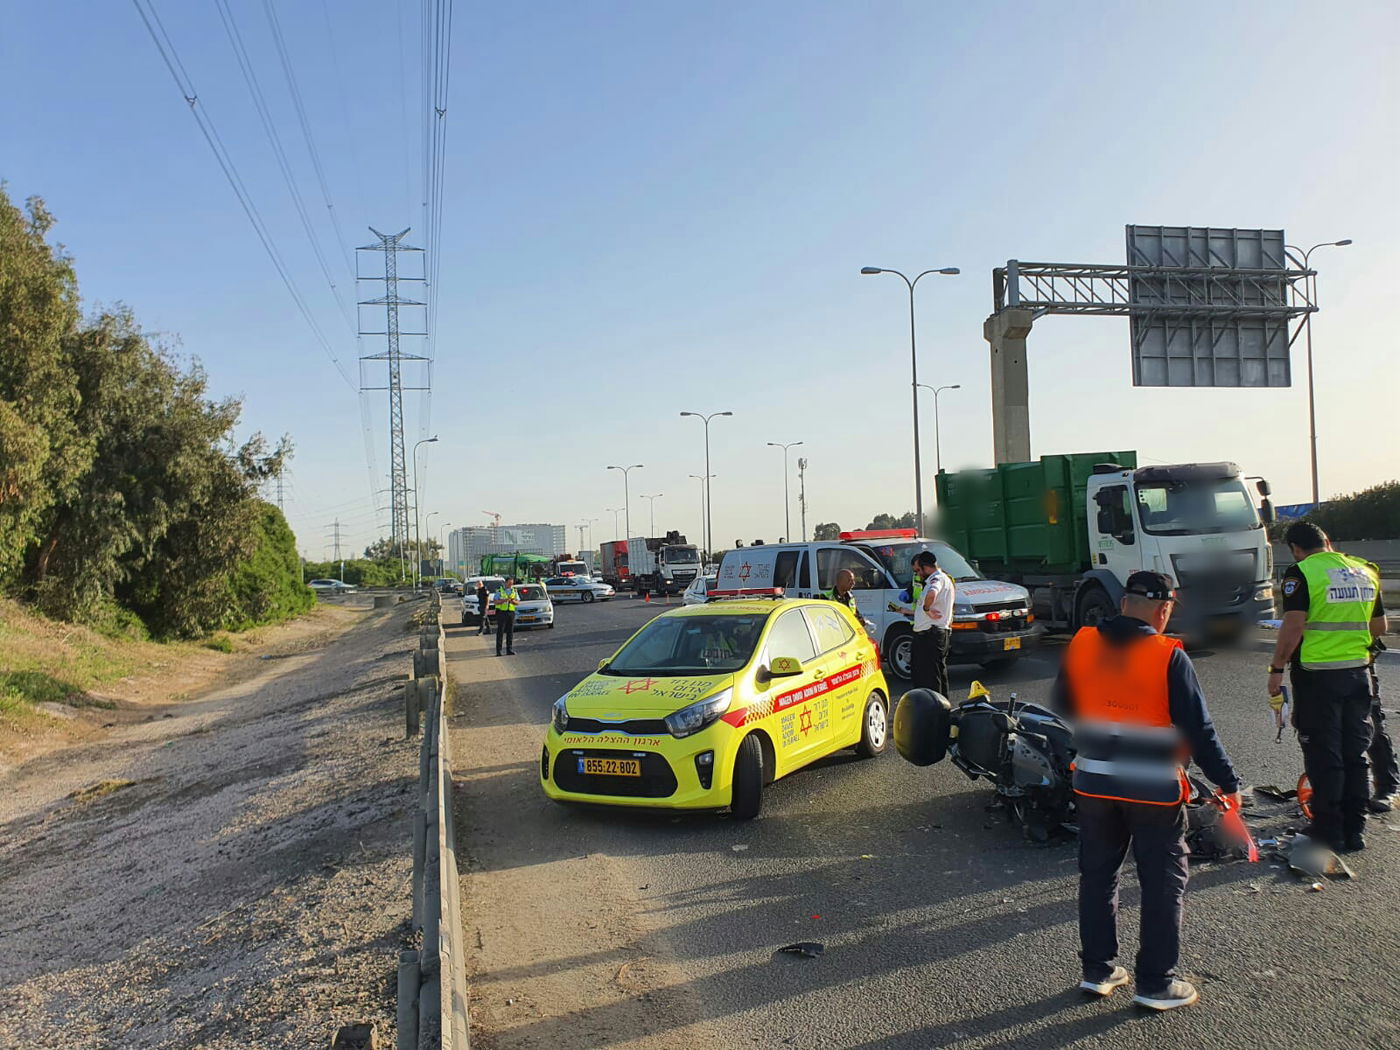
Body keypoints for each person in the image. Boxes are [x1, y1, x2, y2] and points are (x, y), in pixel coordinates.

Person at [1052, 571, 1240, 1012]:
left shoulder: (1081, 644)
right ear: (1164, 609)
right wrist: (1228, 784)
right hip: (1152, 790)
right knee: (1162, 880)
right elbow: (1200, 731)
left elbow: (1064, 705)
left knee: (1098, 874)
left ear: (1122, 605)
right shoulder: (1167, 655)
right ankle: (1156, 982)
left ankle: (1098, 971)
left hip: (1094, 782)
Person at [1268, 523, 1387, 850]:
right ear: (1328, 542)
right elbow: (1380, 626)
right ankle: (1356, 828)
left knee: (1324, 754)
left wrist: (1276, 668)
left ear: (1295, 548)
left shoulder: (1301, 572)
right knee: (1355, 752)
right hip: (1358, 673)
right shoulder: (1364, 570)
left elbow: (1293, 627)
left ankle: (1329, 829)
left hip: (1318, 675)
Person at [904, 550, 953, 694]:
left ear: (926, 567)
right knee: (935, 674)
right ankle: (941, 709)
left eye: (919, 570)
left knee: (930, 678)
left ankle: (934, 711)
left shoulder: (936, 579)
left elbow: (932, 593)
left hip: (931, 635)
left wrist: (926, 609)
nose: (918, 574)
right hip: (932, 634)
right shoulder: (941, 578)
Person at [495, 577, 520, 656]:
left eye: (512, 583)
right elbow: (495, 601)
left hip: (511, 612)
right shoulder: (500, 591)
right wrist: (504, 600)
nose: (510, 585)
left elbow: (518, 602)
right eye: (509, 583)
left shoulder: (514, 591)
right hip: (502, 613)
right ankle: (498, 651)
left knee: (510, 632)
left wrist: (513, 601)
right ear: (505, 583)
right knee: (500, 631)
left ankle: (509, 649)